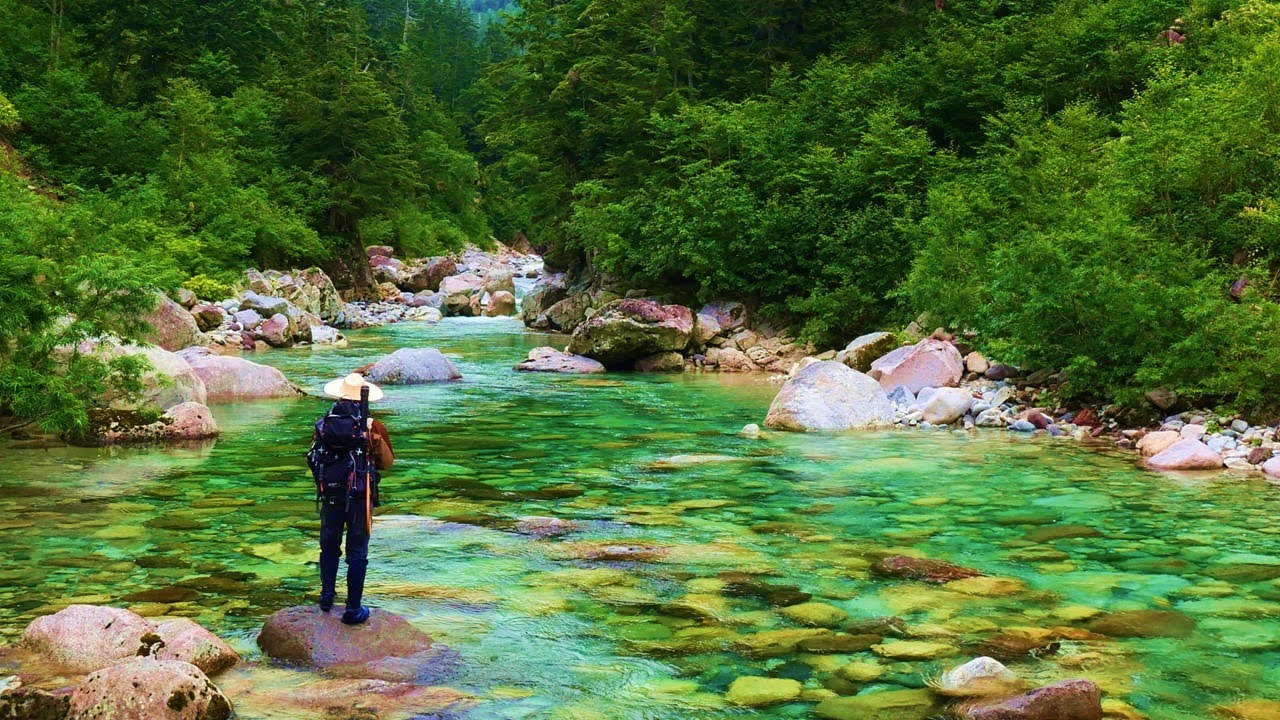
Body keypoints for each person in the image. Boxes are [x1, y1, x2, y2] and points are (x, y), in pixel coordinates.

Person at [308, 373, 394, 625]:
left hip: (330, 494)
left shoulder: (323, 425)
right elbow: (387, 463)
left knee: (329, 546)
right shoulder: (372, 426)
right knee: (357, 552)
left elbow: (315, 458)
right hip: (359, 497)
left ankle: (326, 597)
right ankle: (353, 609)